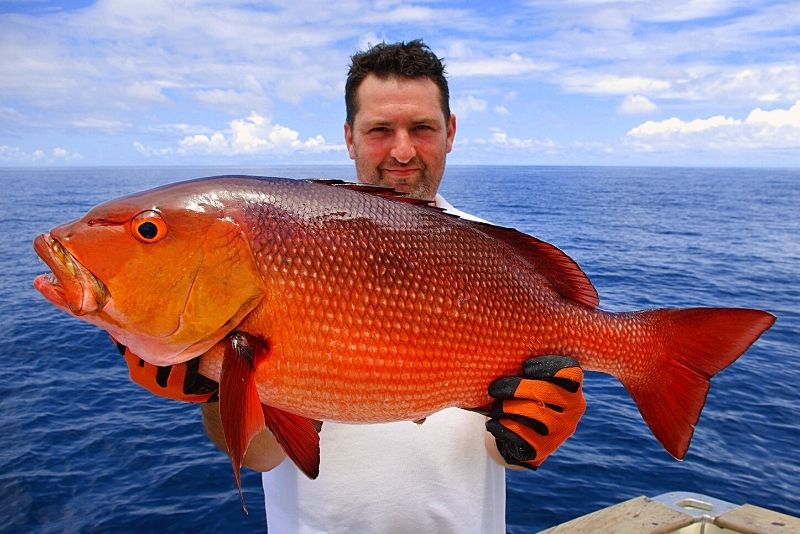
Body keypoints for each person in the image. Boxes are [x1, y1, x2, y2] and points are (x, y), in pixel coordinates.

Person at [121, 40, 585, 533]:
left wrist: (538, 431)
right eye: (380, 130)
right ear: (350, 137)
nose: (402, 150)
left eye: (422, 128)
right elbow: (260, 455)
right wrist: (216, 393)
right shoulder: (289, 241)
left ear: (450, 132)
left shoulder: (497, 257)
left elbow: (504, 456)